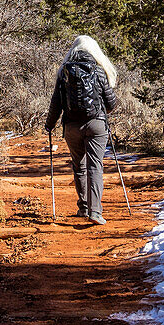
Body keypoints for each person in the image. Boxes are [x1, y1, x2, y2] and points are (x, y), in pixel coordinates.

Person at [44, 35, 117, 224]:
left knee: (79, 166)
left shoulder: (63, 73)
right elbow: (111, 103)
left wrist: (49, 125)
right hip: (96, 124)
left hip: (71, 126)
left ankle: (83, 207)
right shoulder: (100, 71)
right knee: (95, 166)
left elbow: (56, 103)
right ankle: (95, 212)